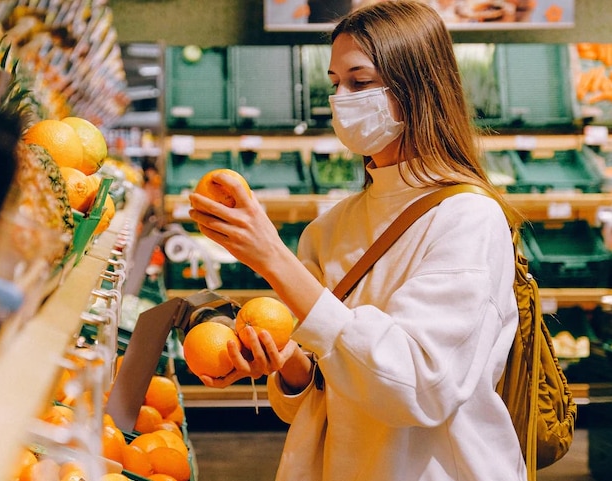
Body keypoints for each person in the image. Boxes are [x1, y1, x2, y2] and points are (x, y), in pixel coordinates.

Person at [187, 1, 527, 480]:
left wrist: (271, 258)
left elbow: (416, 388)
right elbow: (323, 391)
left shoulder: (468, 218)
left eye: (360, 82)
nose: (341, 98)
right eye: (335, 83)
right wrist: (283, 362)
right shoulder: (331, 228)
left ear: (417, 88)